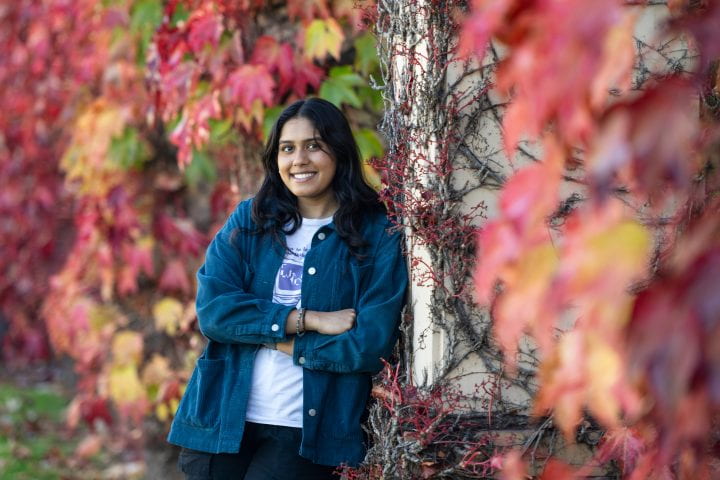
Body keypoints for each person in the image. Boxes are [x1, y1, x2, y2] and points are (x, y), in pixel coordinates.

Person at [168, 97, 409, 479]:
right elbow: (214, 312)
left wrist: (269, 336)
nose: (299, 160)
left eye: (314, 145)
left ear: (339, 151)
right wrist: (306, 319)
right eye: (288, 148)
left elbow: (367, 345)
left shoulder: (376, 232)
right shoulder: (250, 220)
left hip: (306, 433)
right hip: (221, 420)